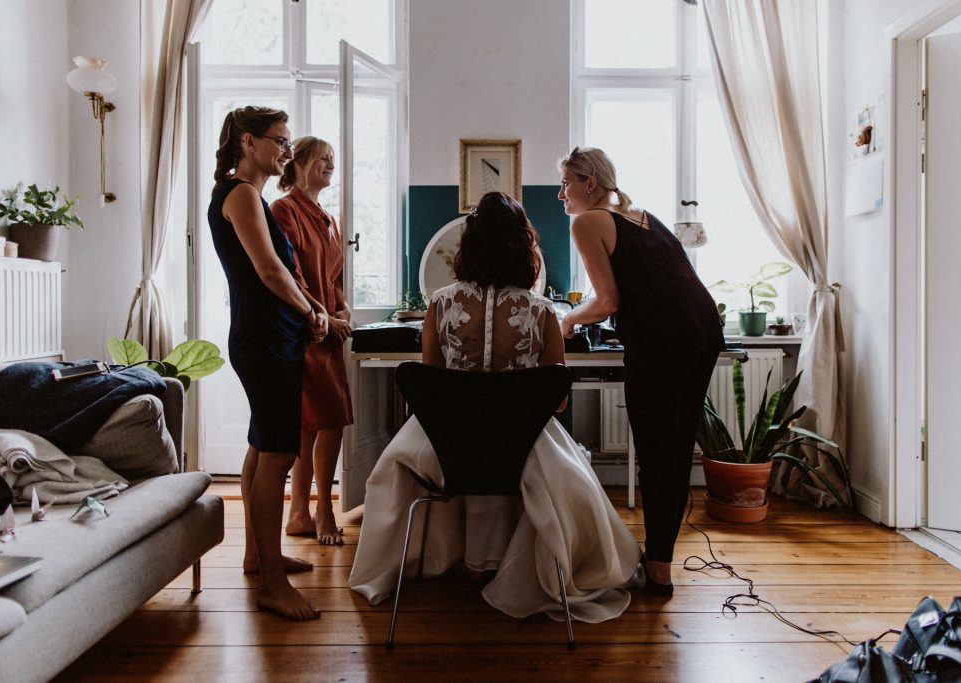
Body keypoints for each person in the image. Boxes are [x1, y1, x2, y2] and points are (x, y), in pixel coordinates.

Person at [349, 192, 640, 623]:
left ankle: (441, 558)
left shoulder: (440, 304)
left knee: (396, 466)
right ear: (524, 248)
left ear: (470, 245)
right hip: (518, 443)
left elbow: (432, 386)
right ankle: (516, 562)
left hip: (446, 445)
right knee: (567, 469)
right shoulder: (542, 311)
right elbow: (555, 397)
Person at [558, 146, 725, 597]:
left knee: (655, 453)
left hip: (665, 341)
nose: (561, 195)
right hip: (703, 331)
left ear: (589, 183)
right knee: (673, 449)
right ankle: (660, 564)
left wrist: (568, 320)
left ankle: (659, 572)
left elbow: (607, 301)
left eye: (566, 184)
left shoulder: (587, 222)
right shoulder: (642, 215)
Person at [207, 106, 329, 620]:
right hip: (263, 338)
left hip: (269, 335)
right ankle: (273, 586)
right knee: (278, 454)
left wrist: (307, 311)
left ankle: (259, 555)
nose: (285, 150)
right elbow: (270, 271)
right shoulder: (239, 194)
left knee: (262, 446)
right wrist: (314, 310)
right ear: (248, 141)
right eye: (279, 141)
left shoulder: (247, 195)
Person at [271, 137, 353, 546]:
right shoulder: (283, 210)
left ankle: (301, 512)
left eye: (333, 160)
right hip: (303, 329)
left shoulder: (328, 217)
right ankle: (318, 511)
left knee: (321, 421)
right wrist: (321, 316)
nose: (329, 164)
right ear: (299, 162)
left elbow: (333, 274)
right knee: (319, 421)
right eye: (323, 158)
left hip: (328, 329)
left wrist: (341, 310)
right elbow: (291, 275)